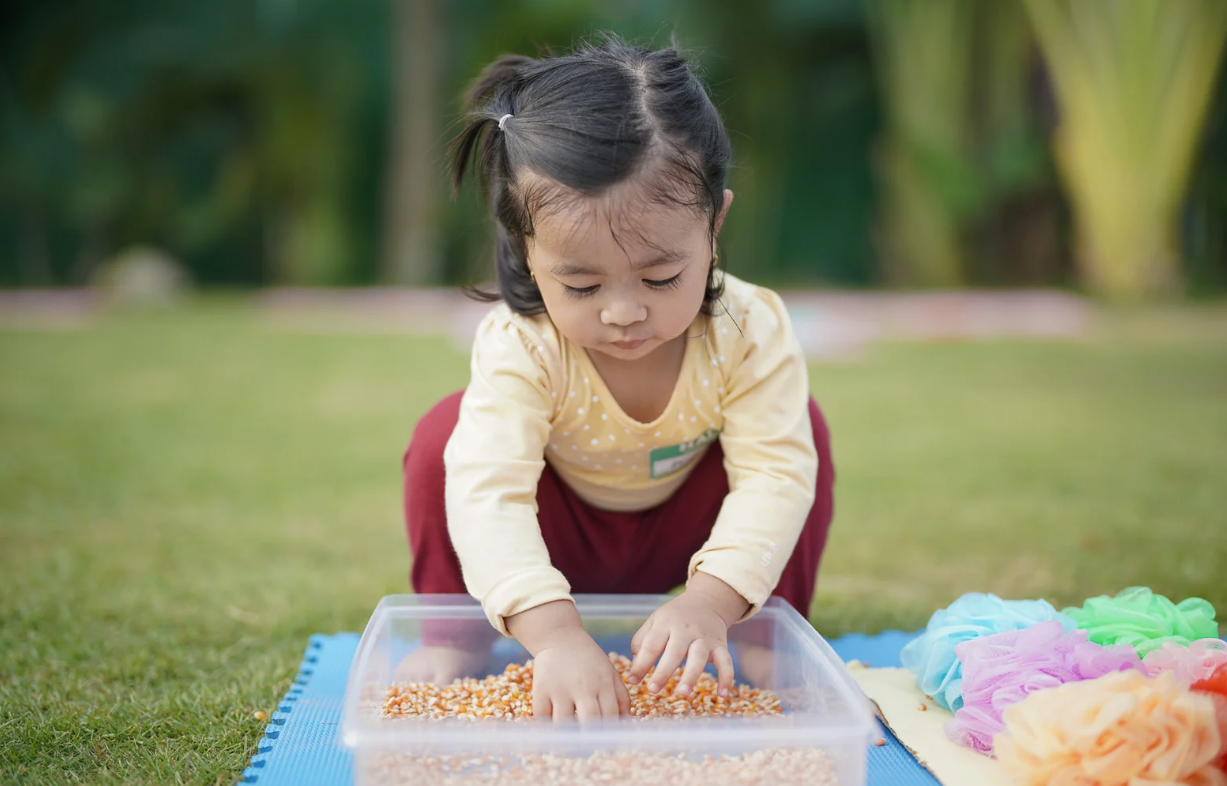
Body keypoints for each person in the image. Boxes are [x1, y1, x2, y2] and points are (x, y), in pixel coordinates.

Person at [401, 36, 835, 722]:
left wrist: (709, 602)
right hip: (559, 530)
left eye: (662, 277)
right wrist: (552, 636)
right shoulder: (523, 343)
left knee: (801, 430)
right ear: (525, 249)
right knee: (442, 438)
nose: (625, 312)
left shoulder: (751, 329)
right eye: (580, 283)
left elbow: (774, 477)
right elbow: (489, 493)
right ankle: (453, 636)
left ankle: (760, 638)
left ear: (714, 223)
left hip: (688, 532)